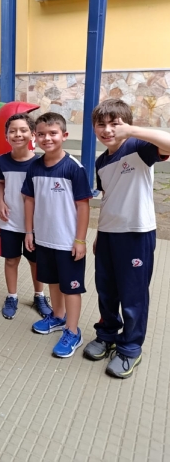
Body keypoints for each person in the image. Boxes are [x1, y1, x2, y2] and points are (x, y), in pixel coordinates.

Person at [83, 98, 170, 378]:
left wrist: (131, 130)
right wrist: (99, 234)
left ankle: (131, 348)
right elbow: (109, 197)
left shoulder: (139, 147)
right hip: (108, 235)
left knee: (133, 295)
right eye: (101, 125)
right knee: (106, 291)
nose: (107, 130)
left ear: (126, 124)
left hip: (136, 234)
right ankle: (107, 335)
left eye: (114, 124)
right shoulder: (101, 162)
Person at [22, 112, 92, 358]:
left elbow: (83, 206)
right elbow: (29, 200)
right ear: (35, 137)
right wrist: (29, 231)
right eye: (41, 134)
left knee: (71, 287)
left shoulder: (74, 168)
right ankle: (58, 316)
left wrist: (80, 240)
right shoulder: (34, 167)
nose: (47, 138)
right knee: (52, 280)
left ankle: (73, 331)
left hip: (68, 242)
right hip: (43, 238)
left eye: (53, 133)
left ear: (64, 135)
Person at [0, 113, 53, 320]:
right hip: (9, 222)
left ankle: (39, 296)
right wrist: (0, 202)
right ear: (6, 136)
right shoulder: (2, 161)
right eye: (12, 131)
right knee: (11, 260)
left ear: (33, 134)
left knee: (36, 262)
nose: (17, 134)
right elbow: (2, 183)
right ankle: (12, 296)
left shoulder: (40, 162)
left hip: (35, 225)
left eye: (23, 130)